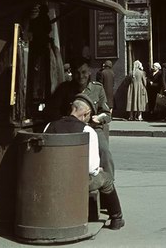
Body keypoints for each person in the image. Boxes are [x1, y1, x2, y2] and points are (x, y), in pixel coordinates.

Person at [44, 94, 125, 230]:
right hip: (77, 182)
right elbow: (92, 169)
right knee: (106, 179)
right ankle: (116, 218)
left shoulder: (49, 126)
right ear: (86, 114)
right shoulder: (88, 131)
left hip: (52, 178)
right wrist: (98, 170)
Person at [45, 57, 114, 177]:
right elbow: (52, 110)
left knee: (104, 152)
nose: (80, 76)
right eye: (77, 73)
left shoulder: (97, 88)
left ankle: (108, 182)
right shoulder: (64, 88)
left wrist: (98, 119)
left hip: (92, 127)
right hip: (69, 127)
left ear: (89, 72)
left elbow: (107, 114)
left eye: (84, 72)